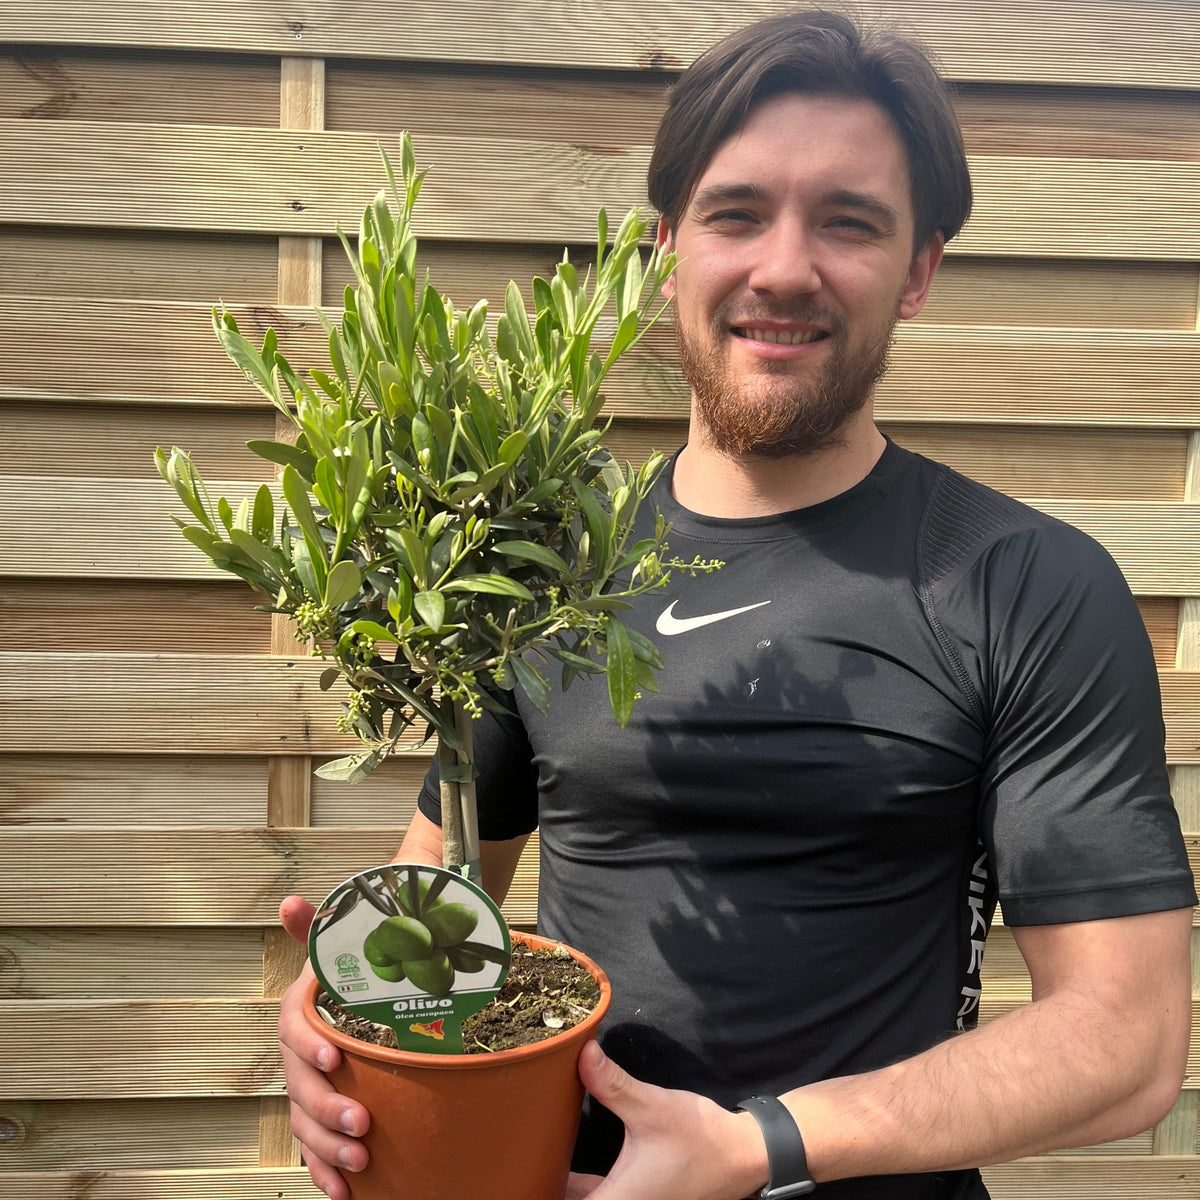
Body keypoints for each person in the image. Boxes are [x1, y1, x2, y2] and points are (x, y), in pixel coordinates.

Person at [277, 10, 1196, 1199]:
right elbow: (449, 883)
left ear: (919, 269)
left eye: (850, 223)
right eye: (737, 212)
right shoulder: (538, 563)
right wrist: (347, 1024)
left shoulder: (1021, 584)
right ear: (668, 243)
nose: (782, 267)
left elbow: (1127, 1046)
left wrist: (754, 1148)